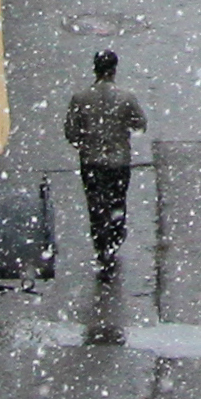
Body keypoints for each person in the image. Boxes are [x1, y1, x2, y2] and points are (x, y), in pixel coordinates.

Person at [60, 50, 151, 267]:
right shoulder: (126, 98)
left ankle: (101, 244)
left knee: (95, 204)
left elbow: (71, 133)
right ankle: (115, 235)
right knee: (117, 200)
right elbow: (140, 124)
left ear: (95, 69)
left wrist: (84, 142)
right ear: (114, 70)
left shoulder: (80, 98)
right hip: (118, 161)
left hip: (91, 162)